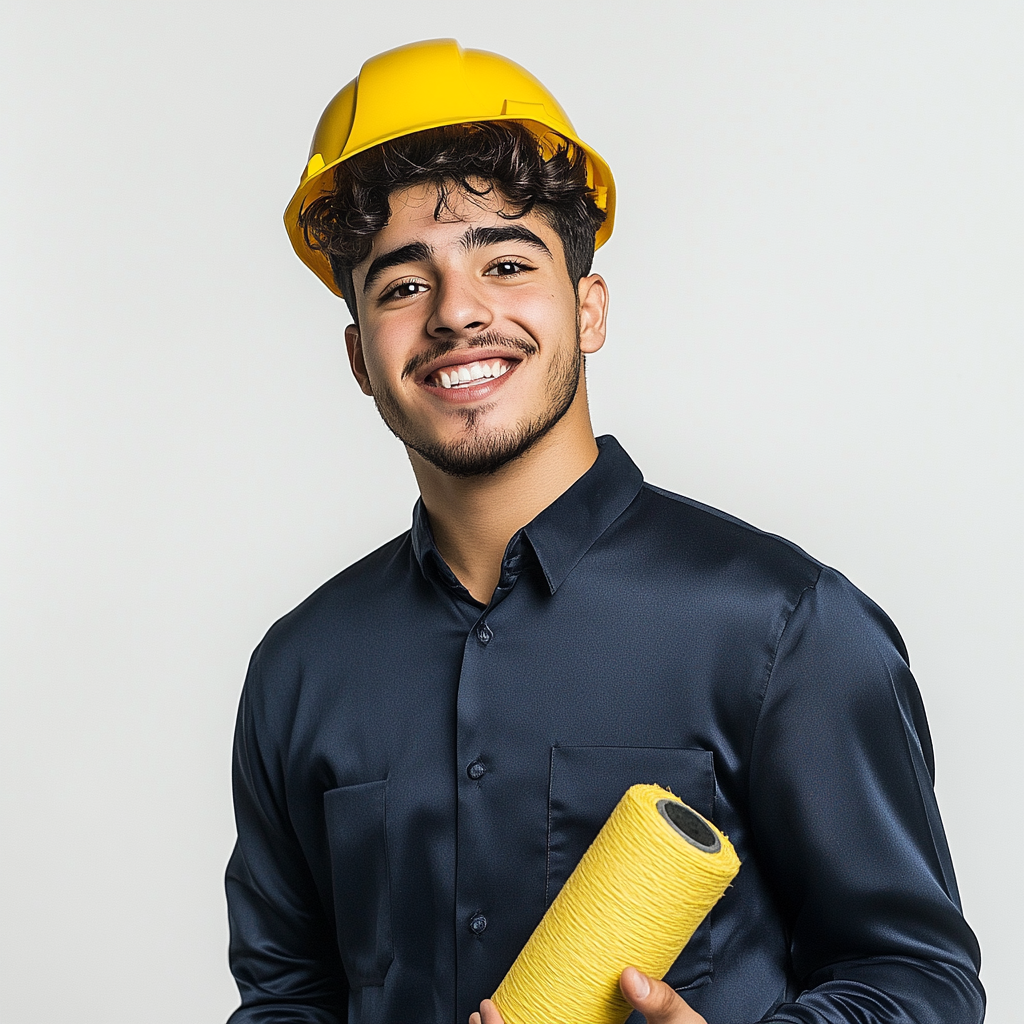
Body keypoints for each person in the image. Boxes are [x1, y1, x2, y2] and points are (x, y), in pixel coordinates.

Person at [225, 39, 984, 1024]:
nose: (457, 312)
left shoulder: (782, 627)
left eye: (505, 261)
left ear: (588, 308)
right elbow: (289, 995)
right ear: (361, 355)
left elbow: (917, 981)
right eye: (401, 285)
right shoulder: (301, 668)